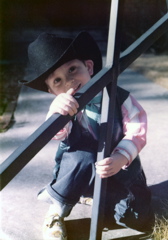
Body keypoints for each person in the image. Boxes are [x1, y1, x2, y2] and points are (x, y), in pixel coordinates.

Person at [20, 31, 154, 240]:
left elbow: (138, 131)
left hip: (117, 169)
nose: (69, 82)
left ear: (89, 67)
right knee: (82, 156)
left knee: (137, 220)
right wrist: (55, 113)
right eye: (57, 81)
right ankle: (57, 209)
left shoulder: (121, 98)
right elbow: (58, 134)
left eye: (72, 69)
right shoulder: (63, 108)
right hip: (77, 170)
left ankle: (102, 199)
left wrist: (121, 157)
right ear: (52, 92)